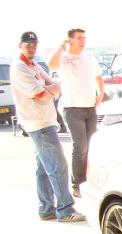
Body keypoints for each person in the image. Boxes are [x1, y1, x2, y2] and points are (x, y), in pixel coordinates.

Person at [10, 31, 84, 222]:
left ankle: (46, 209)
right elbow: (40, 94)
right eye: (28, 45)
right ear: (20, 46)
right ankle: (65, 209)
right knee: (58, 166)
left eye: (34, 45)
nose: (32, 48)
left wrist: (49, 88)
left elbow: (51, 85)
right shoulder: (20, 67)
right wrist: (51, 89)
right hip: (39, 124)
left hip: (43, 122)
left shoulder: (33, 65)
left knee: (44, 168)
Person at [48, 28, 104, 198]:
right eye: (79, 38)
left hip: (90, 109)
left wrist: (100, 94)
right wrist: (61, 47)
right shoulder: (64, 58)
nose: (82, 41)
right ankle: (77, 183)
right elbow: (51, 65)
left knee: (91, 146)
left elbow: (99, 77)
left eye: (84, 38)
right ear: (70, 40)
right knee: (80, 147)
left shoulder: (89, 57)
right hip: (72, 109)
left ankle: (89, 180)